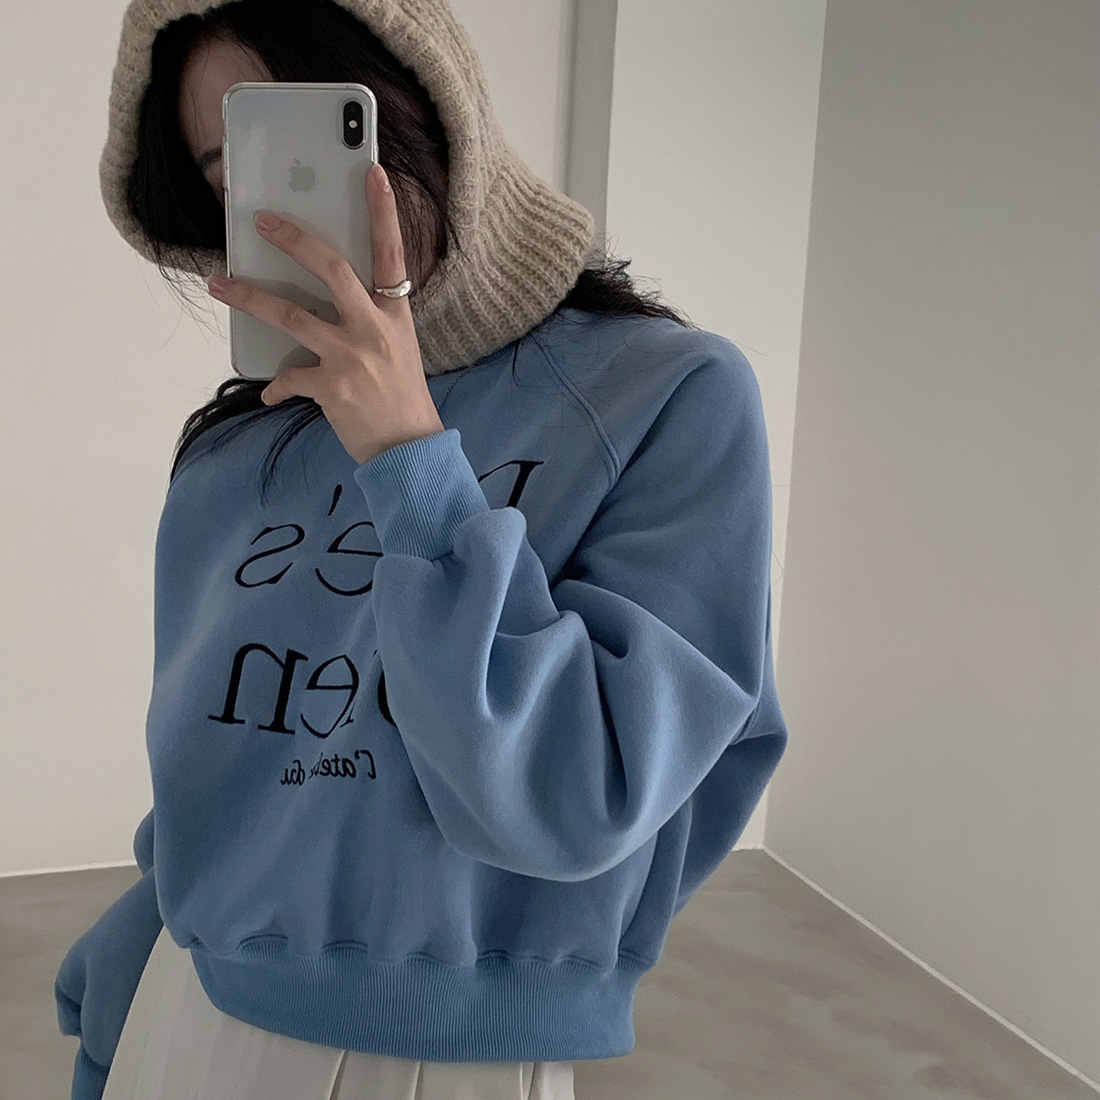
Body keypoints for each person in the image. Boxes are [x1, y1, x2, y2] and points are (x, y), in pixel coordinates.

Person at [53, 1, 790, 1097]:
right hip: (189, 1017)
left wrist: (409, 458)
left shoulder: (667, 396)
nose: (277, 208)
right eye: (229, 171)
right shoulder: (239, 449)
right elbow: (227, 760)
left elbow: (579, 795)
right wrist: (144, 950)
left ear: (433, 115)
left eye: (309, 143)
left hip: (451, 1060)